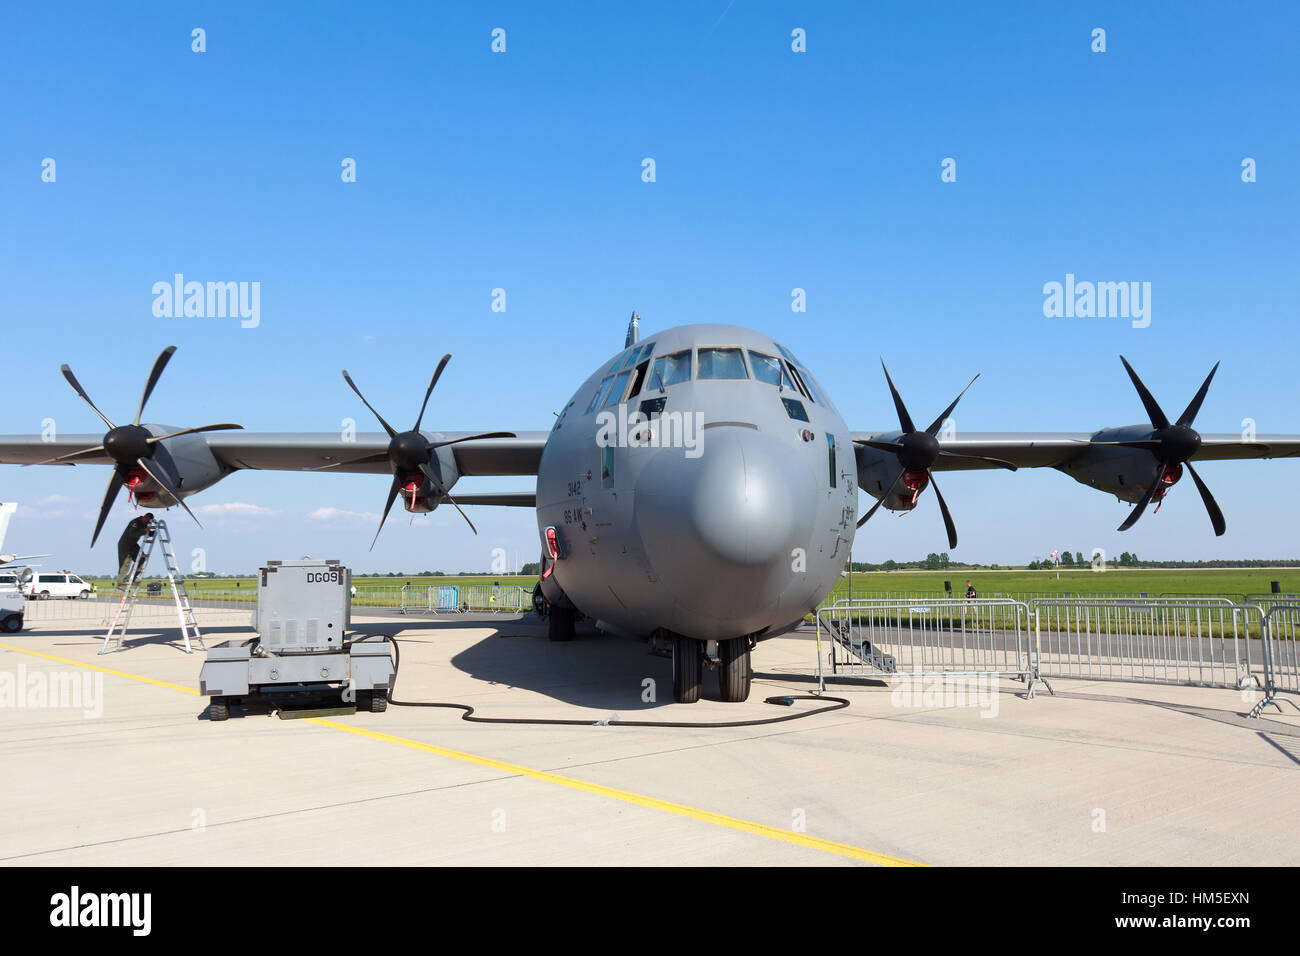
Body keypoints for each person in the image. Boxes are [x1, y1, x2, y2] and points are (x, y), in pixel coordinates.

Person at [116, 513, 155, 590]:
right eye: (147, 521)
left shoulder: (144, 524)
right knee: (125, 563)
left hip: (133, 545)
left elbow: (148, 533)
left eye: (149, 522)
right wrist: (144, 531)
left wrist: (154, 532)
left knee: (142, 559)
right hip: (125, 545)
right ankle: (120, 584)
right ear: (144, 517)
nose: (147, 523)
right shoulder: (135, 522)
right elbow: (132, 534)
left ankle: (132, 578)